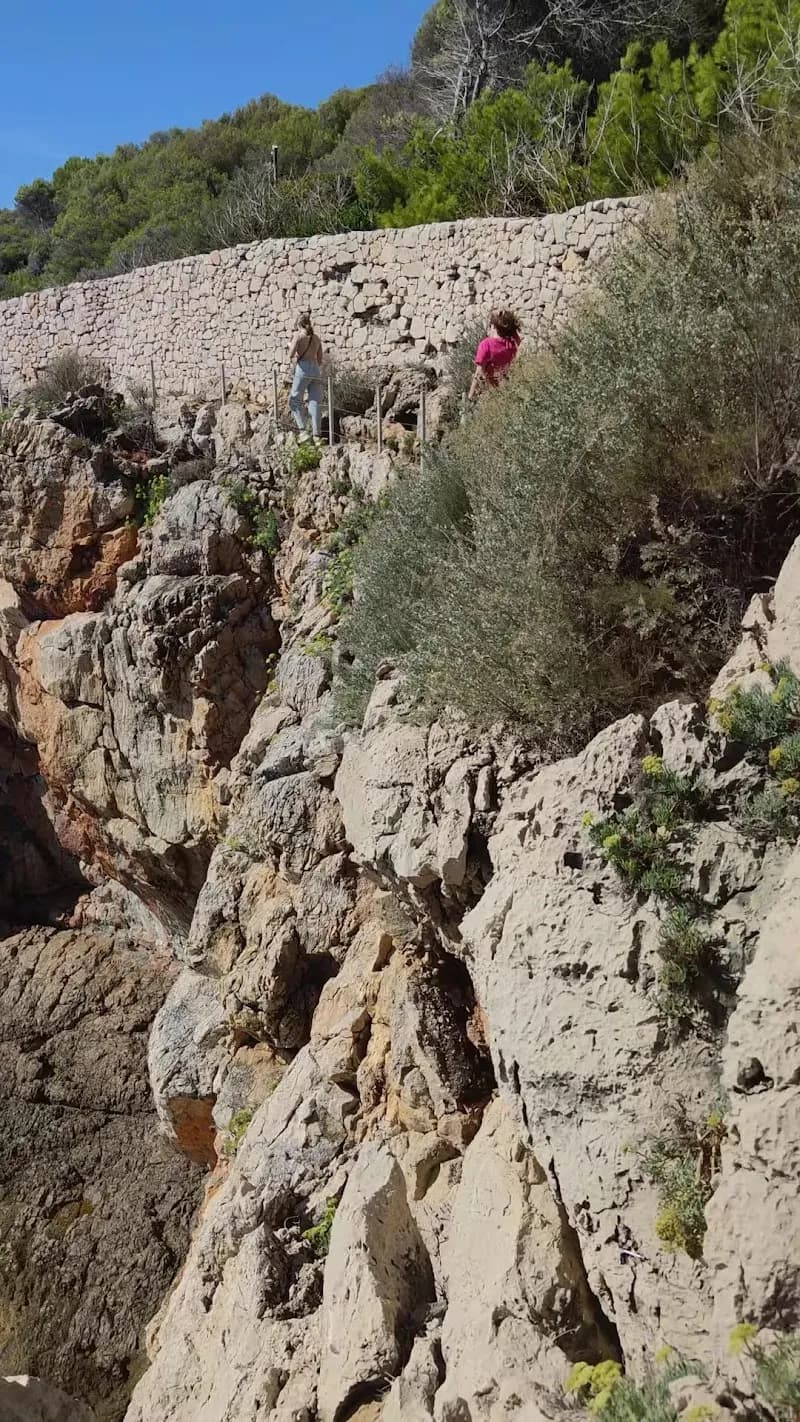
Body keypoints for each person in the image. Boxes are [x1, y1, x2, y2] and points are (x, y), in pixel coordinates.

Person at [468, 309, 522, 400]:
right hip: (508, 390)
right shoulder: (510, 344)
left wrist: (470, 396)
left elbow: (479, 373)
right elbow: (518, 341)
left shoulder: (486, 345)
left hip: (491, 393)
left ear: (493, 327)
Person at [288, 313, 324, 440]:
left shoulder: (298, 337)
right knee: (314, 402)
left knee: (294, 400)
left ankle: (303, 431)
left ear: (299, 325)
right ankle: (317, 435)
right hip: (315, 369)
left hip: (303, 369)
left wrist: (289, 345)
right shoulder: (316, 338)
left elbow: (290, 354)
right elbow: (320, 359)